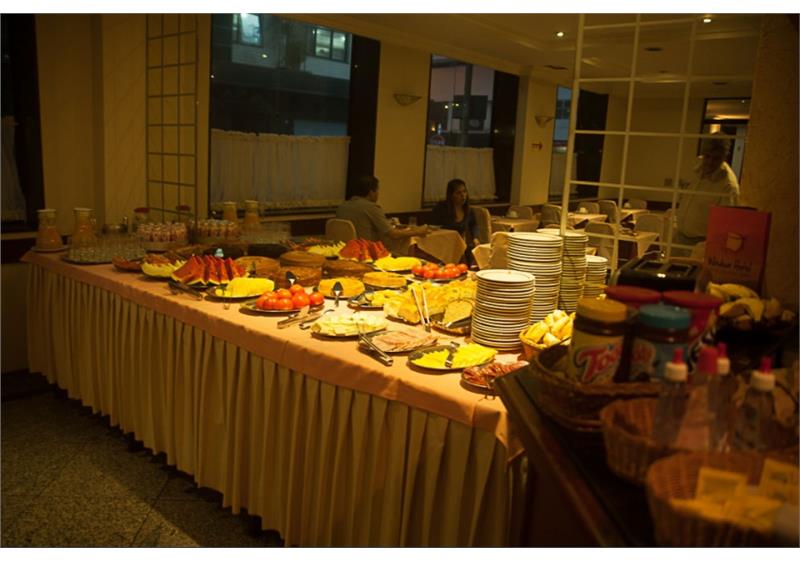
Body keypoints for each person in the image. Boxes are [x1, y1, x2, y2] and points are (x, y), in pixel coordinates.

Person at [674, 135, 740, 253]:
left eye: (716, 158)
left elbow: (728, 225)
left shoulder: (728, 186)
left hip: (702, 245)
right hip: (679, 238)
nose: (710, 162)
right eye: (707, 156)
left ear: (724, 157)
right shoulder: (696, 170)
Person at [336, 175, 432, 244]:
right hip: (366, 251)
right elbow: (393, 234)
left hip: (343, 250)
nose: (378, 193)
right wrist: (418, 232)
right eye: (377, 190)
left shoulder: (342, 206)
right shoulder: (371, 207)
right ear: (371, 192)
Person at [431, 178, 480, 253]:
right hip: (442, 245)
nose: (463, 195)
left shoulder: (468, 210)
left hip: (460, 246)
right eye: (458, 193)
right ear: (451, 195)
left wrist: (475, 238)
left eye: (464, 191)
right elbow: (433, 227)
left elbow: (474, 225)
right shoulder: (441, 208)